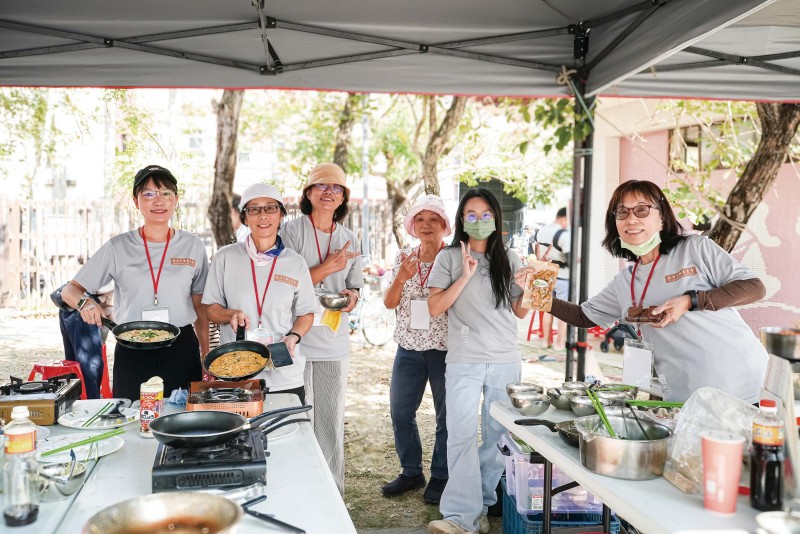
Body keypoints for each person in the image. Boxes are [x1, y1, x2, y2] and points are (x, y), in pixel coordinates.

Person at [526, 179, 767, 403]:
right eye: (622, 212)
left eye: (642, 210)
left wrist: (690, 300)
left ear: (662, 218)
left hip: (743, 384)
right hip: (688, 396)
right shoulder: (625, 281)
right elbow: (583, 316)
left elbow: (754, 287)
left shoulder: (695, 248)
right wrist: (538, 285)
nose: (631, 219)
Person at [426, 188, 529, 534]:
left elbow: (520, 311)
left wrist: (532, 285)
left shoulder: (510, 258)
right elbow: (435, 307)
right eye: (471, 214)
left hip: (504, 359)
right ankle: (459, 516)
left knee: (498, 436)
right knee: (460, 435)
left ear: (496, 219)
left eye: (486, 215)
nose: (479, 220)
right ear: (461, 219)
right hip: (464, 360)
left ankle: (480, 507)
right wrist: (465, 276)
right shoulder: (448, 258)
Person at [61, 164, 210, 400]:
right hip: (132, 345)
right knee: (131, 415)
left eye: (166, 193)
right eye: (149, 194)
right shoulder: (118, 247)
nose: (158, 201)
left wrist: (205, 353)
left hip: (181, 346)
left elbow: (200, 304)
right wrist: (85, 303)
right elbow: (70, 290)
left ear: (176, 199)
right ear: (136, 201)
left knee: (183, 414)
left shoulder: (193, 245)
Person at [280, 163, 363, 495]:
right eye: (322, 186)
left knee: (330, 420)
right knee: (297, 419)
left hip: (332, 340)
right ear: (308, 193)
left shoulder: (349, 238)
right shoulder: (291, 232)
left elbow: (355, 285)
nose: (329, 192)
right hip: (295, 340)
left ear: (343, 197)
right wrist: (327, 267)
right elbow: (283, 285)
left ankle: (332, 494)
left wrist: (352, 296)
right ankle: (300, 492)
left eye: (336, 188)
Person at [203, 183, 316, 403]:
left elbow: (306, 313)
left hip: (284, 375)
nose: (262, 215)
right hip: (236, 373)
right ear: (245, 218)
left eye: (270, 208)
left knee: (287, 425)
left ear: (281, 215)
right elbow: (210, 309)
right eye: (254, 209)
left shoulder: (295, 263)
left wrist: (294, 336)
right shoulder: (225, 257)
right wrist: (230, 314)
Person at [381, 194, 451, 504]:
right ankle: (411, 472)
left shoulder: (453, 258)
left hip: (444, 348)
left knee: (446, 416)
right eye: (420, 219)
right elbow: (389, 303)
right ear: (412, 225)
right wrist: (401, 278)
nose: (426, 225)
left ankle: (441, 475)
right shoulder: (403, 257)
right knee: (400, 412)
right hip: (408, 347)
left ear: (444, 225)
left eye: (433, 219)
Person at [52, 282, 114, 399]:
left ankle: (76, 402)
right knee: (89, 367)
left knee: (75, 367)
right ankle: (90, 404)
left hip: (71, 304)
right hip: (85, 308)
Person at [534, 207, 570, 352]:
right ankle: (559, 343)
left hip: (546, 275)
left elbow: (537, 251)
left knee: (547, 310)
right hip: (562, 276)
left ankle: (545, 341)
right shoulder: (563, 235)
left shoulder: (540, 231)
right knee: (562, 312)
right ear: (564, 218)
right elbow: (570, 258)